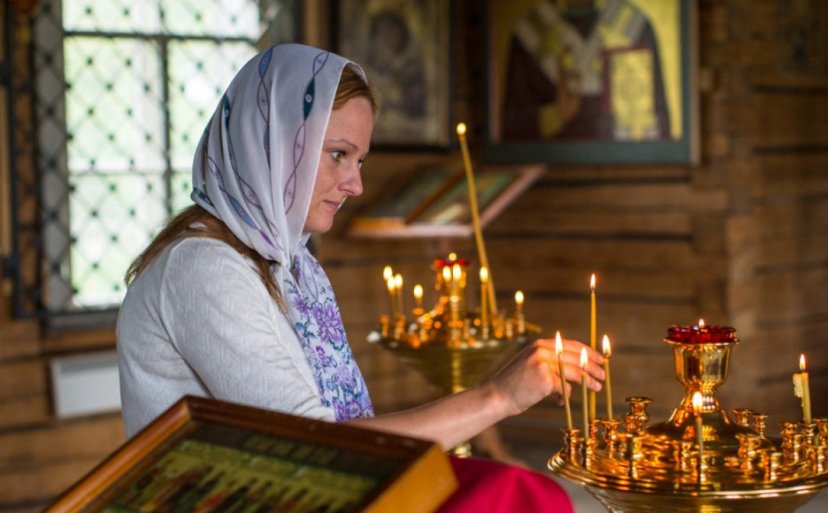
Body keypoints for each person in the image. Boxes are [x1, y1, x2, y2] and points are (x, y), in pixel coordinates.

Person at [117, 43, 604, 511]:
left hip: (310, 491)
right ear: (271, 145)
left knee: (521, 490)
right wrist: (498, 396)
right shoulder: (204, 269)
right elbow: (318, 448)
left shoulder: (288, 262)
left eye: (360, 159)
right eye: (337, 155)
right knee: (512, 499)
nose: (355, 184)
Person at [502, 0, 671, 142]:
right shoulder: (530, 32)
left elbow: (657, 131)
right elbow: (513, 131)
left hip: (622, 169)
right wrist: (554, 116)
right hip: (555, 171)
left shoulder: (635, 27)